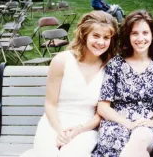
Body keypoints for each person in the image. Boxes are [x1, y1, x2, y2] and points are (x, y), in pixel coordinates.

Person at [20, 11, 118, 157]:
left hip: (85, 128)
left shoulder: (109, 67)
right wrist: (59, 131)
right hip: (53, 123)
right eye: (96, 36)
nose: (101, 42)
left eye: (106, 37)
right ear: (84, 35)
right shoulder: (62, 61)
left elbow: (101, 113)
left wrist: (79, 129)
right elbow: (50, 104)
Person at [92, 10, 153, 157]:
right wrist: (128, 124)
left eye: (145, 33)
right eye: (135, 33)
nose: (140, 38)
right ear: (128, 36)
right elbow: (103, 107)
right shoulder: (116, 64)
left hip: (145, 126)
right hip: (116, 125)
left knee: (140, 139)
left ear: (152, 35)